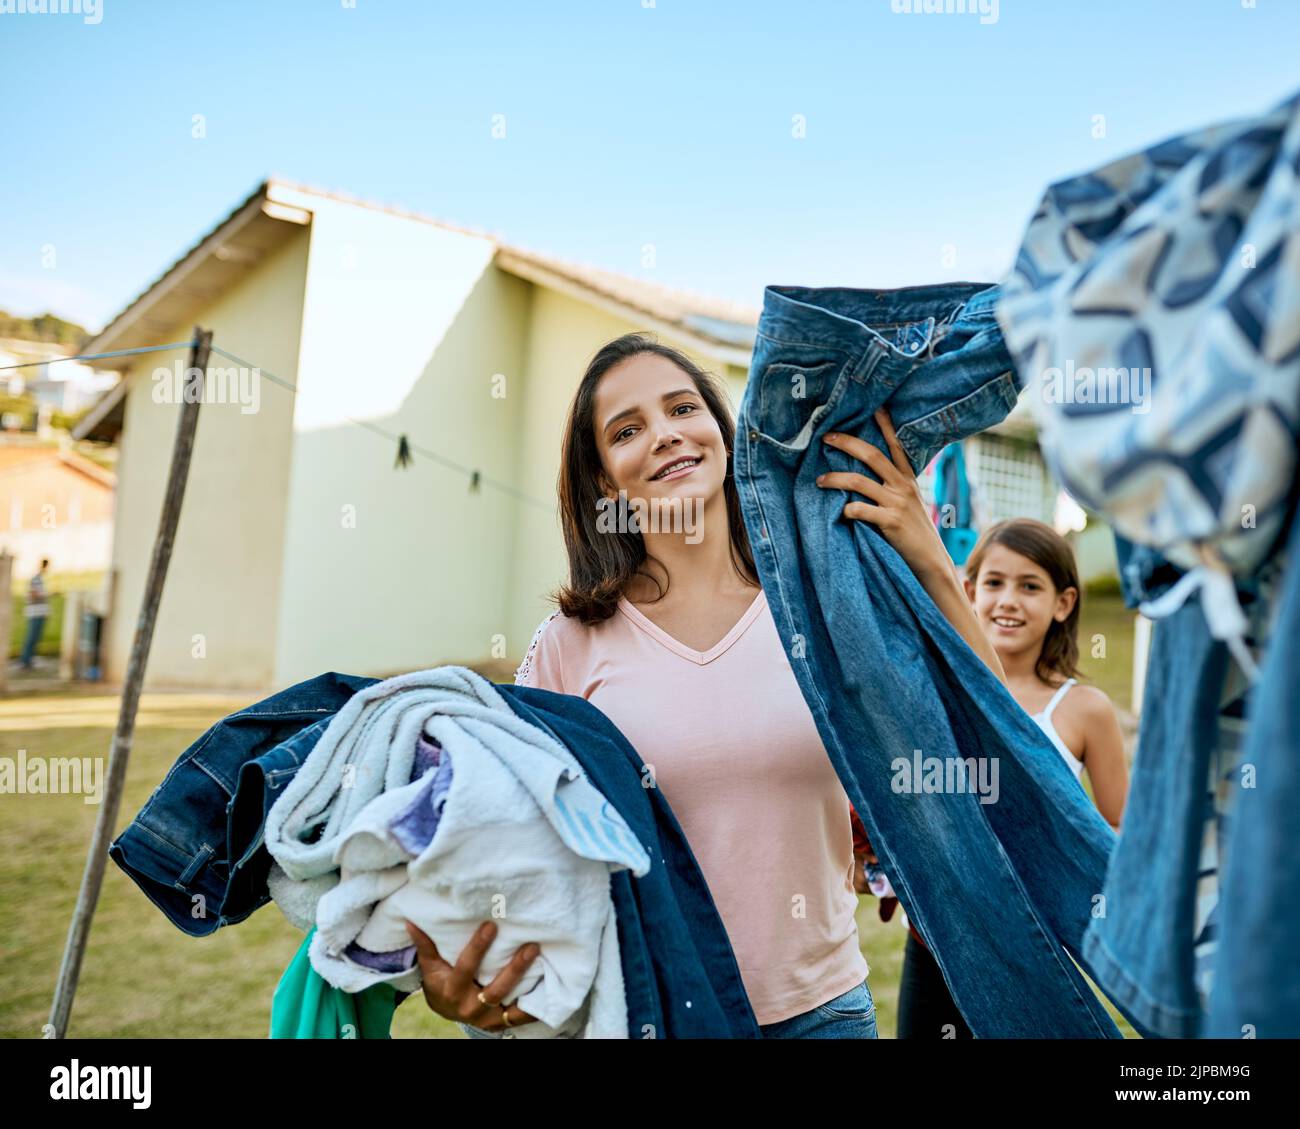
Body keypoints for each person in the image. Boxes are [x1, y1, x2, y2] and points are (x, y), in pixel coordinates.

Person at [403, 331, 1005, 1038]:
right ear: (604, 481)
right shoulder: (568, 647)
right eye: (627, 429)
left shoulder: (819, 605)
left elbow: (994, 736)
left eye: (681, 408)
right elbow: (513, 842)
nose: (663, 435)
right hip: (648, 1015)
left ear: (722, 433)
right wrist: (461, 973)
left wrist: (929, 556)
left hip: (825, 1016)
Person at [883, 517, 1130, 1038]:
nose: (1008, 601)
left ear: (1063, 603)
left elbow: (1114, 835)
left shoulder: (1084, 710)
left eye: (1030, 586)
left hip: (1035, 948)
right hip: (936, 942)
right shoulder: (932, 691)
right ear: (968, 591)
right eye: (994, 583)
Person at [19, 558, 51, 669]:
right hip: (35, 613)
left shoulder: (41, 579)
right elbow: (33, 595)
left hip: (40, 613)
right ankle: (25, 661)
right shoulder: (35, 579)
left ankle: (30, 660)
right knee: (31, 637)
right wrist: (47, 595)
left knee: (36, 638)